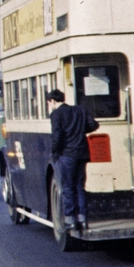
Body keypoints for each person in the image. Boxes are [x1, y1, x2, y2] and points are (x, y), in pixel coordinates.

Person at [47, 89, 96, 231]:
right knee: (80, 186)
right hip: (82, 153)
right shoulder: (80, 110)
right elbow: (94, 125)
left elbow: (57, 135)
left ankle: (71, 220)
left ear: (53, 101)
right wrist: (80, 132)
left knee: (68, 187)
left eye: (49, 103)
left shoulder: (56, 114)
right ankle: (83, 219)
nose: (50, 106)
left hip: (67, 154)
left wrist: (55, 151)